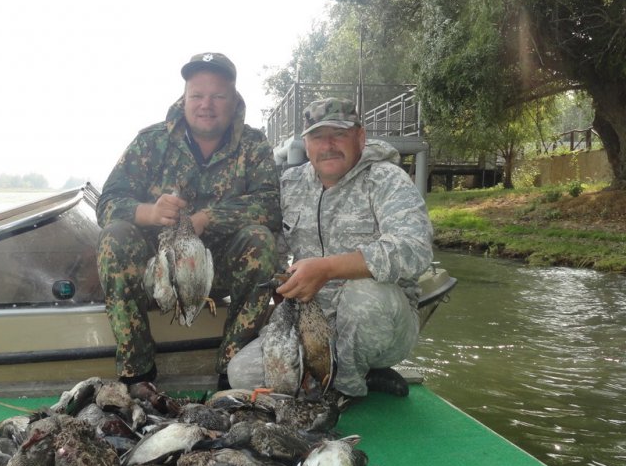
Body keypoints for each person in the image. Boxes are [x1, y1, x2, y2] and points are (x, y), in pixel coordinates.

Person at [226, 97, 433, 397]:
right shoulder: (290, 184)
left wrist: (327, 269)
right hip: (313, 322)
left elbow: (415, 249)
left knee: (365, 293)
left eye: (339, 134)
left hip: (381, 322)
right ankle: (348, 373)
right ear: (306, 144)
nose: (328, 145)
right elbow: (274, 247)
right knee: (241, 375)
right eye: (318, 137)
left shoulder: (386, 179)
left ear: (360, 137)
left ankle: (347, 388)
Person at [96, 52, 281, 387]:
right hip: (160, 272)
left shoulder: (254, 145)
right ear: (184, 99)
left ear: (234, 99)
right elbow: (108, 203)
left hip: (216, 269)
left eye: (217, 96)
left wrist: (207, 218)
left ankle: (231, 373)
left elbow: (270, 206)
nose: (206, 105)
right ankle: (138, 374)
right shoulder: (151, 141)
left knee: (261, 241)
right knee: (114, 237)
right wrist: (149, 212)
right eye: (197, 95)